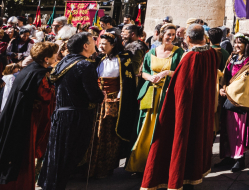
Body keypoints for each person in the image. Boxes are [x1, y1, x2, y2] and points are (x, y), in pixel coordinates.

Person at [139, 24, 222, 190]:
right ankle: (192, 174)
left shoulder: (190, 57)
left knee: (178, 140)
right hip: (202, 106)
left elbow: (181, 87)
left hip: (185, 108)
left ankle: (177, 178)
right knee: (195, 139)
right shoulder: (211, 53)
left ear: (189, 39)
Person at [0, 42, 60, 190]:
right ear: (46, 58)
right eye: (54, 55)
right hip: (26, 120)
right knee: (20, 155)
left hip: (15, 116)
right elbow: (45, 96)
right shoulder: (39, 74)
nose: (56, 57)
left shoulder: (29, 70)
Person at [38, 33, 102, 190]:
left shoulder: (64, 61)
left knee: (56, 155)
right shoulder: (85, 65)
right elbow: (93, 95)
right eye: (93, 41)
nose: (96, 43)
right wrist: (102, 94)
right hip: (76, 116)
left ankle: (49, 184)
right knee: (68, 157)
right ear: (85, 46)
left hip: (60, 113)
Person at [126, 23, 183, 172]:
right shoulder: (151, 52)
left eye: (173, 34)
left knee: (163, 127)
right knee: (145, 126)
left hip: (167, 94)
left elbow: (182, 72)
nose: (171, 37)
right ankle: (141, 163)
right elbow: (143, 71)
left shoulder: (179, 52)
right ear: (161, 35)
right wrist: (150, 78)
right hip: (151, 93)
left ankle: (159, 164)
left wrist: (166, 73)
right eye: (168, 34)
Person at [87, 32, 137, 178]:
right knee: (95, 133)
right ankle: (91, 167)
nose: (101, 46)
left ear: (113, 45)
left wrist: (118, 98)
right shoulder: (98, 59)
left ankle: (105, 167)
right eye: (100, 43)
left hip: (112, 100)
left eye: (104, 44)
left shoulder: (123, 59)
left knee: (108, 133)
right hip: (97, 99)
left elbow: (126, 83)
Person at [221, 33, 249, 171]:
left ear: (246, 45)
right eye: (236, 42)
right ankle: (228, 155)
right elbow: (226, 74)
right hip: (228, 97)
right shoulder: (232, 57)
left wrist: (228, 90)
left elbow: (246, 81)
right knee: (228, 128)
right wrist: (222, 87)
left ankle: (239, 158)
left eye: (240, 43)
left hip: (241, 100)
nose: (237, 45)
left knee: (239, 129)